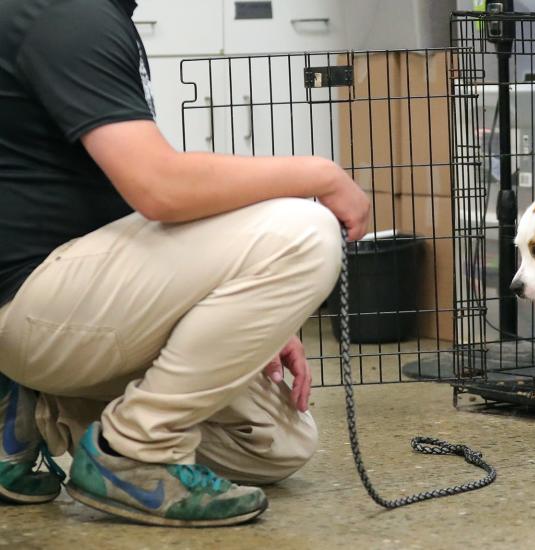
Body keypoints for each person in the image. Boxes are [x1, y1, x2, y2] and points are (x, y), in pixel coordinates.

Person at [0, 0, 370, 527]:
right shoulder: (69, 13)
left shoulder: (97, 14)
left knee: (280, 443)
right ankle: (132, 452)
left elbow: (124, 194)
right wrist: (321, 175)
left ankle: (36, 411)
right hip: (33, 302)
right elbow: (158, 188)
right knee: (302, 233)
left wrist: (245, 308)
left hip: (73, 297)